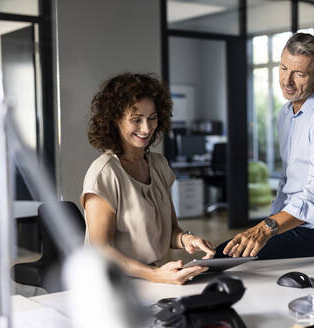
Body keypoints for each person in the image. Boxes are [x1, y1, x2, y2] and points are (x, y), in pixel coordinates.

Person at [218, 33, 314, 260]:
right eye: (284, 68)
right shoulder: (285, 114)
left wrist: (267, 228)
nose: (287, 81)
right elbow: (288, 178)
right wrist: (273, 219)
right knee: (227, 254)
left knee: (231, 255)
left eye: (299, 73)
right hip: (293, 216)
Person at [81, 73, 215, 284]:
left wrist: (187, 239)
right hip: (108, 284)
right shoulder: (104, 174)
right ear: (115, 120)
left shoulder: (159, 165)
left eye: (152, 118)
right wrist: (155, 275)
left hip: (148, 278)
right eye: (136, 120)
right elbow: (102, 251)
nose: (146, 128)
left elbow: (170, 231)